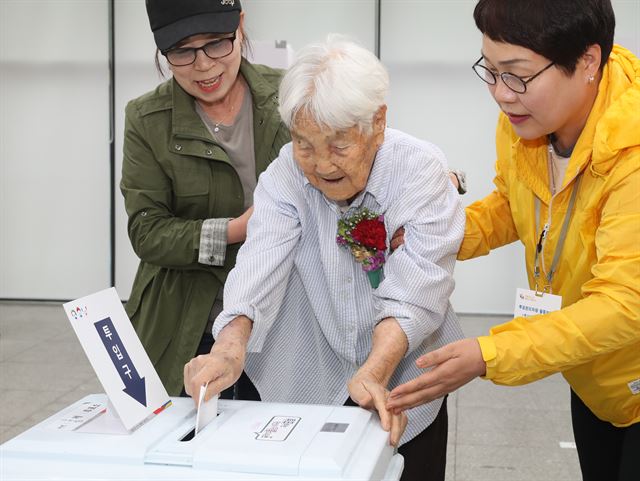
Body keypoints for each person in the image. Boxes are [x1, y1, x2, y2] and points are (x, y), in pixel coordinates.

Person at [184, 36, 466, 481]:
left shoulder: (420, 171)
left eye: (338, 146)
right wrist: (228, 347)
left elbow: (416, 290)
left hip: (401, 374)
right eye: (304, 144)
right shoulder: (285, 174)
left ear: (378, 122)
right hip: (305, 364)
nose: (319, 165)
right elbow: (260, 261)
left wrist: (375, 371)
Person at [387, 1, 640, 480]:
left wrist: (489, 353)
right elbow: (513, 204)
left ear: (587, 62)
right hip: (591, 371)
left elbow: (626, 304)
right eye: (491, 70)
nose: (501, 95)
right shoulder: (530, 118)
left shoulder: (632, 153)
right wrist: (436, 234)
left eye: (517, 74)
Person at [120, 0, 290, 397]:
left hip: (283, 318)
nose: (203, 65)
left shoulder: (290, 96)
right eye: (182, 51)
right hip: (189, 321)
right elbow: (147, 231)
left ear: (241, 27)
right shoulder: (147, 119)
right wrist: (236, 230)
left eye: (217, 43)